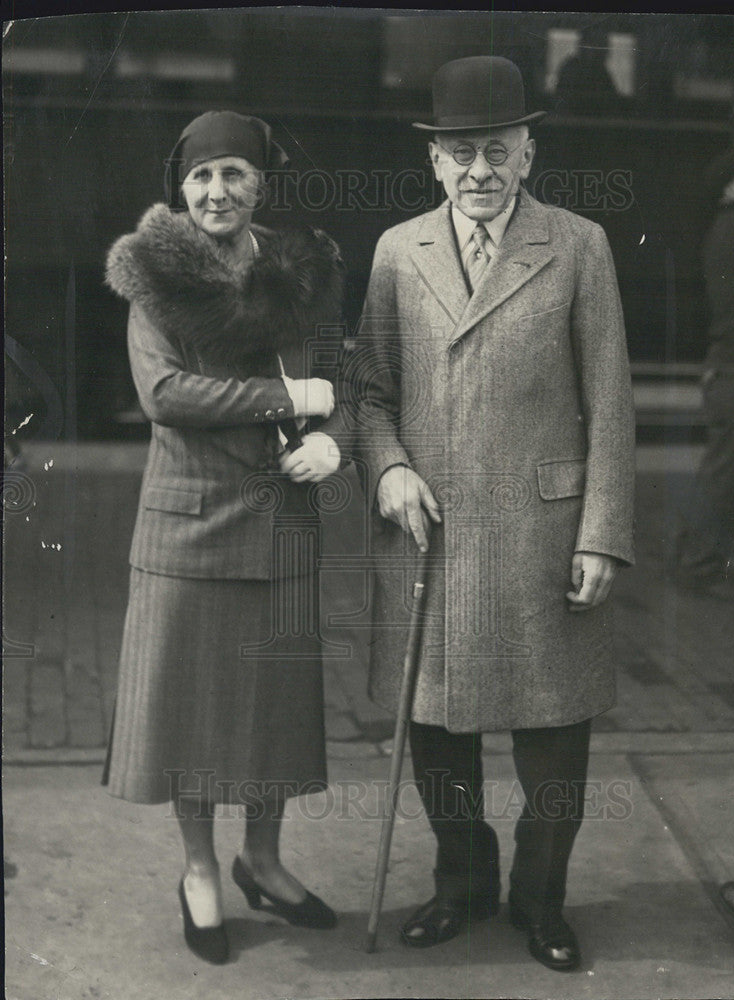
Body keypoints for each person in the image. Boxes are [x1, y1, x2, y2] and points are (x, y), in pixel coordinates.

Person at [355, 56, 635, 971]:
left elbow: (612, 403)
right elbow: (370, 392)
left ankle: (540, 900)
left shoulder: (578, 244)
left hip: (545, 535)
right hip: (431, 535)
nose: (479, 171)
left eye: (497, 151)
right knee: (438, 726)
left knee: (554, 732)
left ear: (528, 155)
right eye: (461, 153)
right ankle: (461, 885)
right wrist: (389, 469)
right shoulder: (399, 251)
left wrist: (602, 533)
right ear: (435, 162)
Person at [102, 111, 351, 964]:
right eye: (203, 177)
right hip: (190, 526)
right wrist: (294, 404)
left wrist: (336, 436)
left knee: (274, 715)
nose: (218, 191)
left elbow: (338, 376)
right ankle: (201, 869)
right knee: (193, 716)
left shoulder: (299, 270)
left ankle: (264, 858)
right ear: (181, 189)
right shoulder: (154, 279)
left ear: (260, 186)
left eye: (235, 174)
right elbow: (166, 394)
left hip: (280, 521)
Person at [673, 140, 734, 602]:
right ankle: (697, 567)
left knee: (727, 469)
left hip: (733, 369)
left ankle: (698, 562)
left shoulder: (729, 226)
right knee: (728, 472)